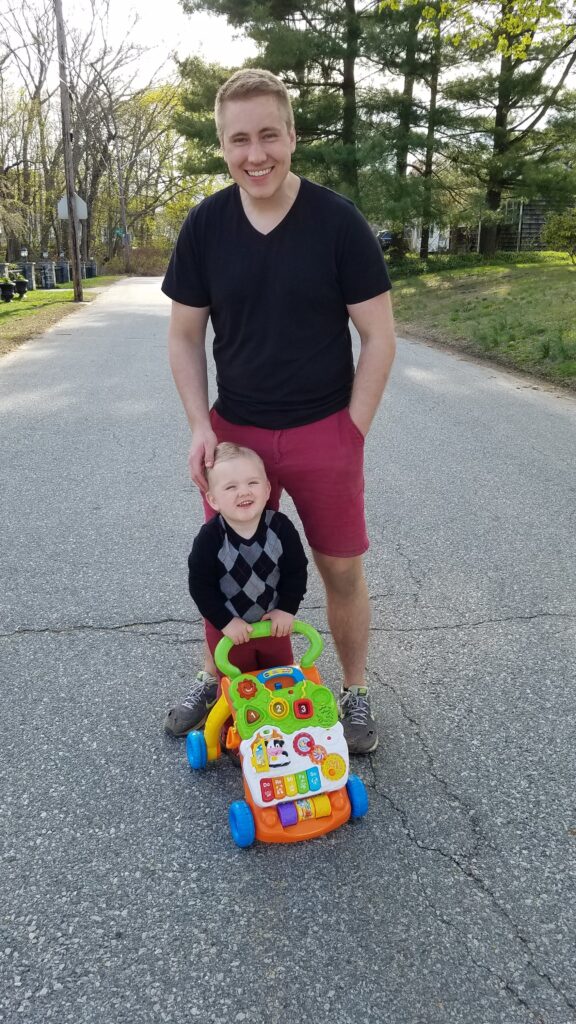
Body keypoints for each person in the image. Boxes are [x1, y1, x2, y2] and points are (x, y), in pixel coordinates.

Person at [162, 68, 396, 753]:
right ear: (223, 145)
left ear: (292, 136)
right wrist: (202, 425)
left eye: (269, 134)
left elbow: (378, 335)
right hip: (236, 436)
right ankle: (219, 678)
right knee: (228, 564)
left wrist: (353, 429)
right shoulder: (206, 226)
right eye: (240, 139)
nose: (255, 153)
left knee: (340, 569)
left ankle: (354, 691)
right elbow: (183, 334)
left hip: (325, 427)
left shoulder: (337, 222)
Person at [164, 442, 308, 737]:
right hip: (229, 630)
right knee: (236, 684)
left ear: (267, 490)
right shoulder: (210, 539)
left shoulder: (280, 528)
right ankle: (237, 733)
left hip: (272, 627)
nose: (244, 492)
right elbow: (200, 586)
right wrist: (226, 622)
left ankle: (284, 728)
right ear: (213, 499)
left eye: (252, 483)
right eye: (231, 487)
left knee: (279, 678)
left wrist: (286, 609)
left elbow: (296, 571)